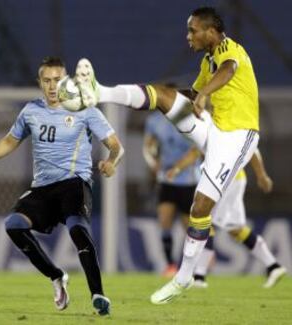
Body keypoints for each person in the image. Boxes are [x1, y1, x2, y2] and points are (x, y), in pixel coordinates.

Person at [69, 6, 261, 304]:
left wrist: (206, 93)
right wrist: (176, 97)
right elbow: (193, 95)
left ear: (211, 31)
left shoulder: (228, 50)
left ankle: (183, 278)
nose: (188, 36)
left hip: (238, 136)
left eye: (193, 30)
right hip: (213, 128)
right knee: (162, 94)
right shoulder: (209, 61)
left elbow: (230, 70)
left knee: (200, 207)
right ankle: (100, 92)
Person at [0, 56, 124, 316]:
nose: (53, 86)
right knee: (13, 225)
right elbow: (9, 142)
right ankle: (56, 276)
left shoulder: (85, 109)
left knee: (77, 229)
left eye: (58, 80)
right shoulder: (31, 110)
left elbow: (115, 145)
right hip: (42, 188)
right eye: (47, 81)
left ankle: (98, 294)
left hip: (74, 183)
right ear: (39, 83)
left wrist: (111, 162)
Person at [194, 150, 287, 289]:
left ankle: (199, 277)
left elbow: (253, 149)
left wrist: (261, 175)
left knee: (205, 219)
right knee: (235, 229)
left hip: (226, 179)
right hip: (229, 178)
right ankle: (273, 266)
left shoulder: (224, 128)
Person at [143, 111, 200, 277]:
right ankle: (170, 265)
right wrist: (153, 162)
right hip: (166, 179)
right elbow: (149, 145)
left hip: (189, 180)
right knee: (164, 221)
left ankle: (191, 267)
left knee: (188, 227)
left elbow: (198, 149)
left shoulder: (192, 119)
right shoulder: (155, 121)